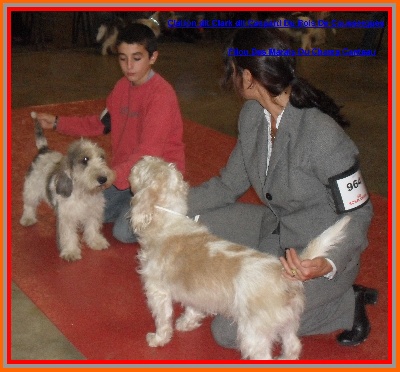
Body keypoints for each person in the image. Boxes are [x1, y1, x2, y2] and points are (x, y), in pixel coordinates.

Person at [187, 28, 378, 349]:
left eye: (232, 71)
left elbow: (360, 213)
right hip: (277, 235)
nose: (230, 78)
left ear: (247, 76)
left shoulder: (322, 135)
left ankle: (346, 305)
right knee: (193, 225)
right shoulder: (251, 117)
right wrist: (169, 206)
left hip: (315, 260)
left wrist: (325, 264)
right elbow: (227, 184)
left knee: (227, 331)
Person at [35, 23, 185, 243]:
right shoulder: (121, 87)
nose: (129, 66)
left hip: (155, 178)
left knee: (123, 233)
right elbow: (99, 124)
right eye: (123, 58)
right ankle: (134, 205)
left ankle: (170, 209)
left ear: (153, 58)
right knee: (90, 210)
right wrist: (58, 122)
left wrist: (116, 175)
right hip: (126, 175)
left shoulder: (161, 96)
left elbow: (148, 152)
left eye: (136, 58)